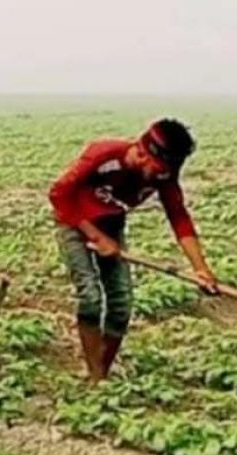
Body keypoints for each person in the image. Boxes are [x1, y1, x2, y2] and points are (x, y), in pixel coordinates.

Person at [49, 118, 218, 383]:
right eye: (158, 169)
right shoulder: (102, 155)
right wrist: (96, 237)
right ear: (141, 152)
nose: (162, 177)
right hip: (74, 221)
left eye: (167, 172)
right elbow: (59, 194)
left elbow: (179, 217)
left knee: (121, 304)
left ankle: (100, 375)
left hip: (111, 225)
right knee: (91, 297)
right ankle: (95, 377)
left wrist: (201, 268)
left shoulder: (165, 176)